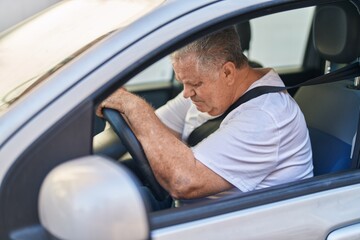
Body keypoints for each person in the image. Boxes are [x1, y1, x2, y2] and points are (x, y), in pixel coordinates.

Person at [96, 26, 313, 209]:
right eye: (183, 83)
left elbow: (184, 181)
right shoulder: (209, 90)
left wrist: (133, 105)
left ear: (227, 72)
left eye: (195, 84)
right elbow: (151, 131)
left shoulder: (266, 117)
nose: (186, 93)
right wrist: (119, 103)